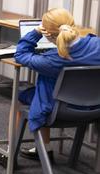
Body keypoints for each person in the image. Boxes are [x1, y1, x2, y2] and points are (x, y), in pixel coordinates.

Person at [14, 8, 100, 161]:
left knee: (23, 95)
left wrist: (35, 33)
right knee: (47, 92)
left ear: (49, 34)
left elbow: (20, 55)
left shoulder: (51, 60)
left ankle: (15, 151)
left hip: (58, 111)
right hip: (94, 109)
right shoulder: (97, 45)